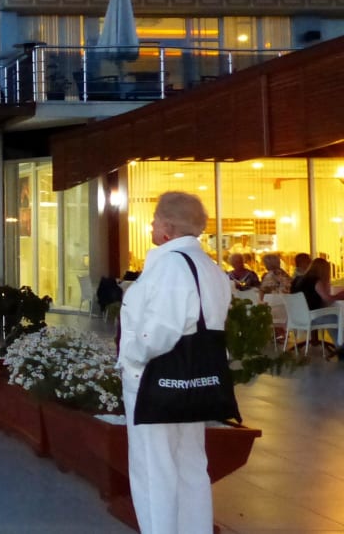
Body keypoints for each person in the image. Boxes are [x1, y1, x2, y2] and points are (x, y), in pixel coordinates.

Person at [118, 191, 231, 534]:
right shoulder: (209, 267)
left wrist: (132, 356)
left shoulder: (169, 266)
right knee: (190, 468)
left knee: (155, 472)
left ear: (167, 226)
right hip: (194, 379)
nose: (151, 225)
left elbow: (161, 331)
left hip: (155, 380)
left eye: (154, 220)